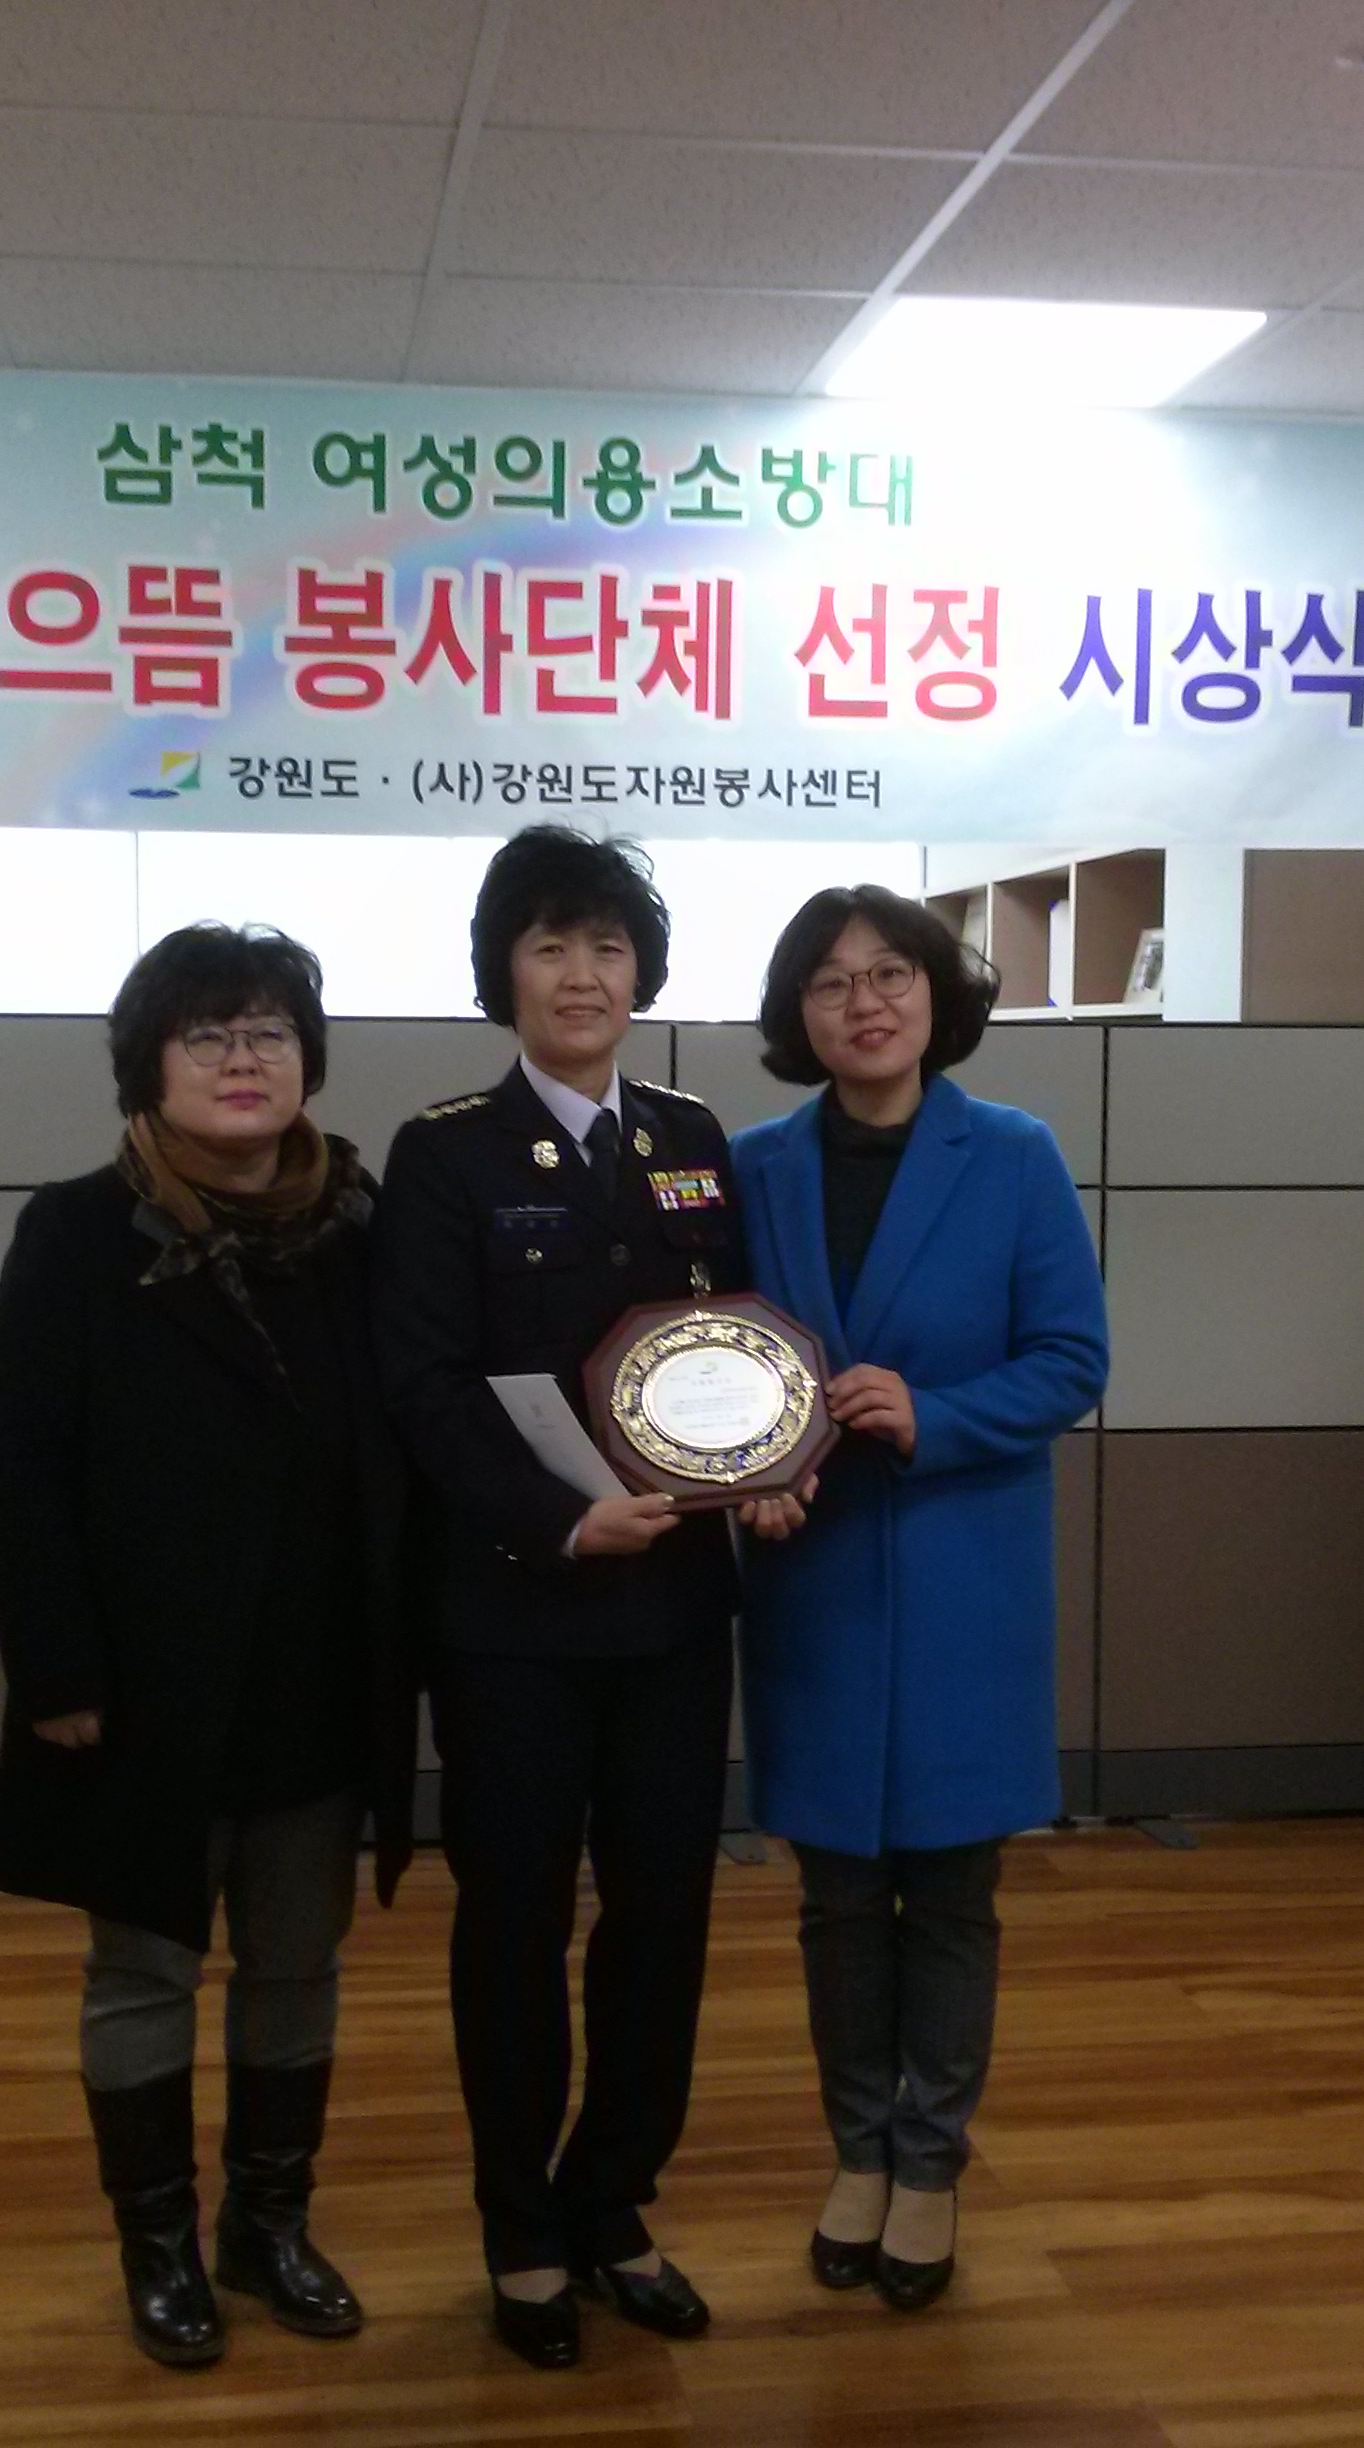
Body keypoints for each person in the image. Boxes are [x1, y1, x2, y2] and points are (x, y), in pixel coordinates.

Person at [0, 924, 419, 2371]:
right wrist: (56, 1670)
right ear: (148, 1066)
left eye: (270, 1032)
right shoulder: (80, 1230)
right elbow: (19, 1461)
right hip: (145, 1686)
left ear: (308, 1060)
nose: (244, 1059)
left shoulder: (362, 1227)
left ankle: (268, 2227)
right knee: (143, 1972)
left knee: (297, 1964)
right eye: (209, 1034)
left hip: (318, 1673)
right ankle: (157, 2245)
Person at [369, 825, 748, 2371]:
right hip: (515, 1614)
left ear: (641, 970)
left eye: (606, 945)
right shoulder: (444, 1151)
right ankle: (520, 2230)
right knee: (514, 1924)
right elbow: (422, 1386)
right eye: (548, 946)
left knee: (663, 1920)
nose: (581, 974)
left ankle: (614, 2204)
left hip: (678, 1615)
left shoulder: (695, 1135)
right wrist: (557, 1521)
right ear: (504, 974)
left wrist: (769, 1463)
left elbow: (739, 1352)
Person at [731, 886, 1110, 2311]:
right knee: (836, 1893)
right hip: (814, 1574)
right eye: (831, 983)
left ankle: (931, 2165)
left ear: (938, 995)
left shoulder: (1013, 1156)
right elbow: (718, 1366)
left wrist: (932, 1413)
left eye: (891, 973)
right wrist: (746, 1474)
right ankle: (858, 2154)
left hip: (964, 1574)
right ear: (800, 1013)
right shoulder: (754, 1167)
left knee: (951, 1892)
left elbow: (1071, 1361)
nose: (865, 1003)